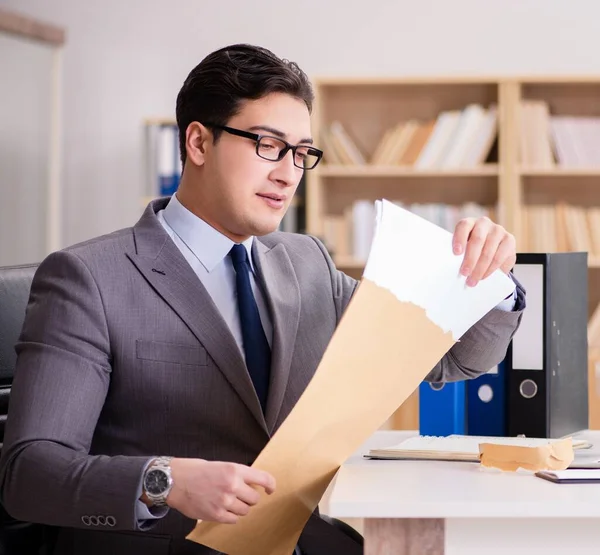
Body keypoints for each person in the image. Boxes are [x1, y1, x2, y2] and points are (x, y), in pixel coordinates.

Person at [0, 44, 525, 555]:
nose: (288, 172)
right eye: (267, 145)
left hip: (303, 539)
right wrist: (162, 481)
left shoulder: (306, 263)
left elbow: (454, 360)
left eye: (301, 153)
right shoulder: (88, 278)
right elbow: (30, 474)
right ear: (198, 143)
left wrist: (489, 282)